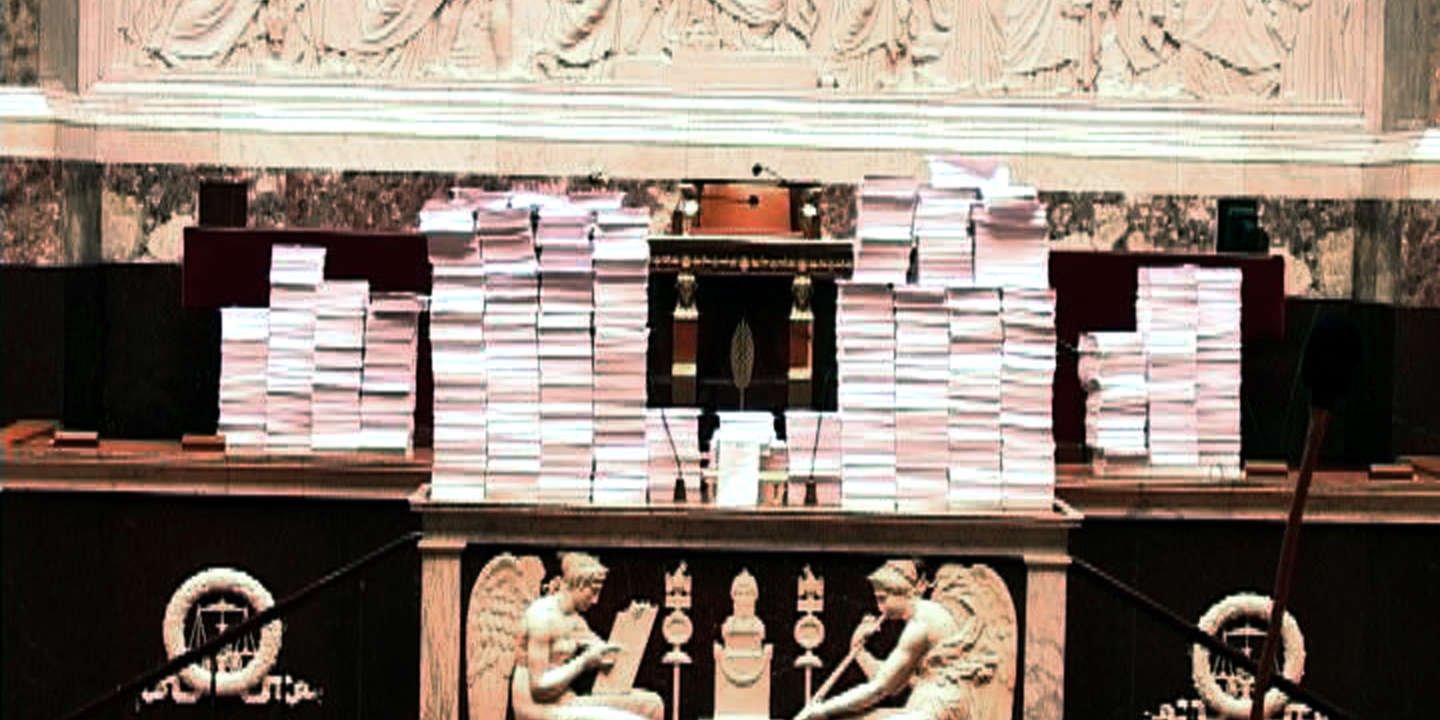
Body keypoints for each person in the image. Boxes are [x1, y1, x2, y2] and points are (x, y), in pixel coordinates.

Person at [794, 560, 978, 720]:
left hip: (938, 708)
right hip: (933, 702)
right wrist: (860, 652)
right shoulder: (926, 614)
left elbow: (881, 688)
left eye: (883, 599)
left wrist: (823, 710)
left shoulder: (920, 625)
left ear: (901, 592)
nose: (880, 608)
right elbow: (895, 683)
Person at [513, 553, 664, 720]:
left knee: (652, 704)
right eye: (593, 592)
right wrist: (584, 662)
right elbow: (539, 688)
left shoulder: (574, 620)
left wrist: (633, 623)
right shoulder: (541, 617)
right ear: (578, 584)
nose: (595, 601)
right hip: (537, 709)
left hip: (565, 702)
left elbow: (607, 655)